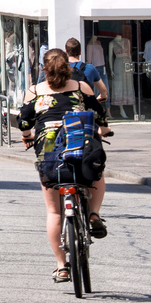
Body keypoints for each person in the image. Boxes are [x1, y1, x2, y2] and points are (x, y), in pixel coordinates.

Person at [19, 48, 110, 284]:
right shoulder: (81, 88)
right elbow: (99, 113)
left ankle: (61, 266)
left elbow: (24, 120)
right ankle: (92, 215)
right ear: (67, 68)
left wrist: (28, 134)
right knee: (96, 173)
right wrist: (104, 129)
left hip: (49, 153)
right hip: (80, 147)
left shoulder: (35, 91)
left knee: (54, 211)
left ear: (44, 69)